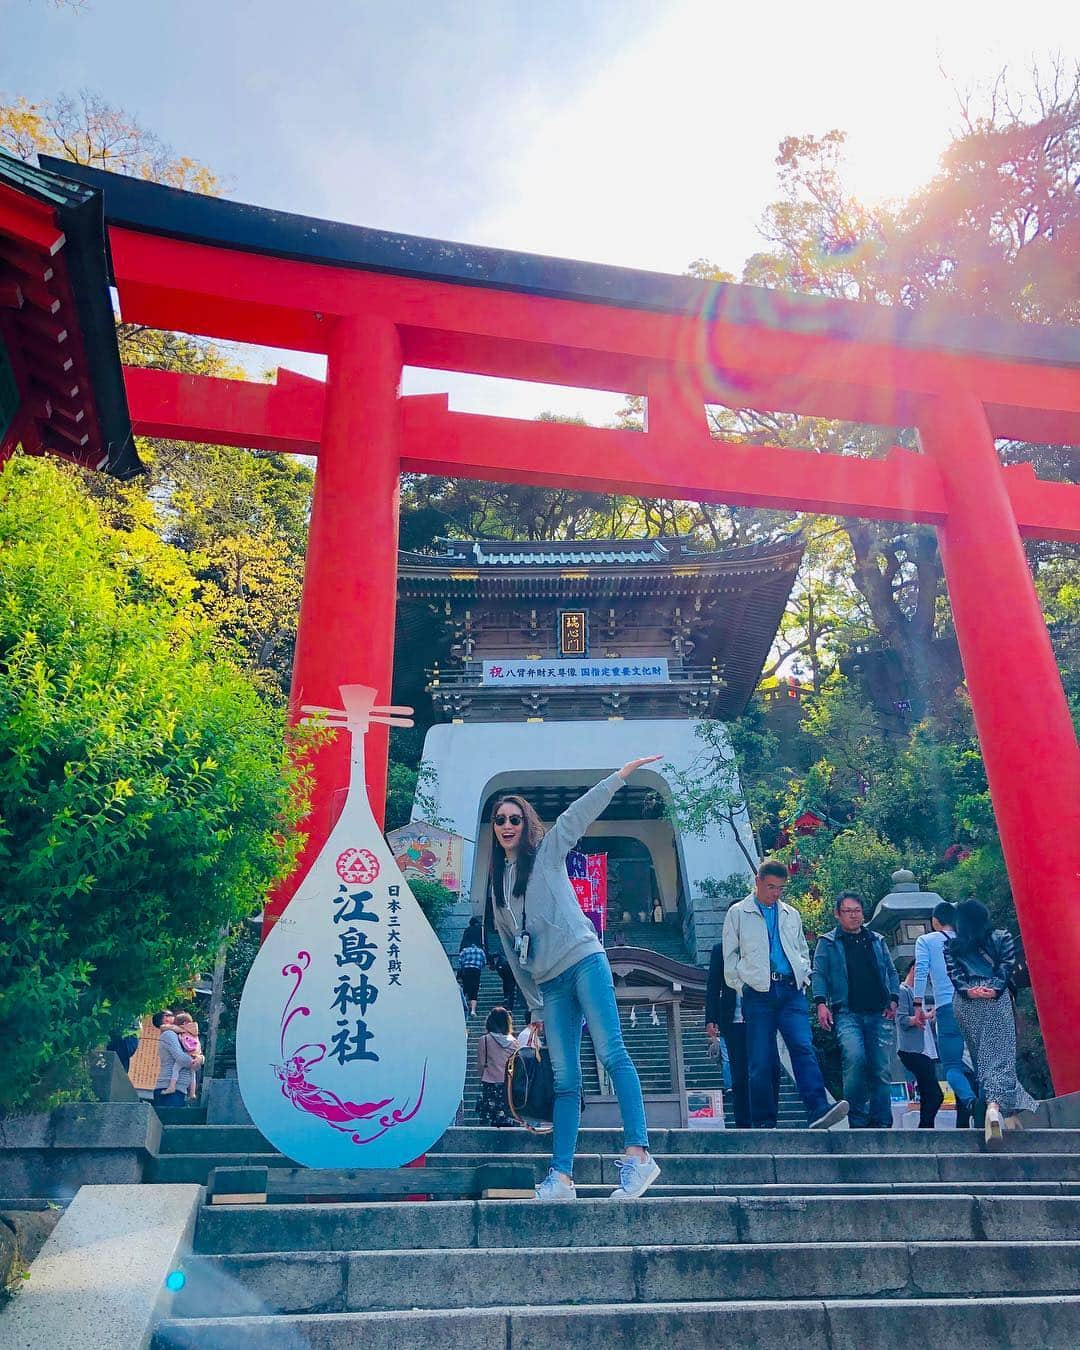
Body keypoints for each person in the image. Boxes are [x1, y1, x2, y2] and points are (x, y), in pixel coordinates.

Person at [486, 758, 663, 1201]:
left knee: (612, 1053)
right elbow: (511, 950)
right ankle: (561, 1177)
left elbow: (577, 814)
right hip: (550, 984)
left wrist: (620, 777)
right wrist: (534, 1007)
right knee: (565, 1080)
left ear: (526, 822)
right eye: (499, 820)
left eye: (514, 818)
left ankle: (639, 1155)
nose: (507, 825)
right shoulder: (497, 884)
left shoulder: (546, 852)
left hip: (584, 960)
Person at [723, 860, 848, 1130]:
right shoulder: (738, 913)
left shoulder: (791, 913)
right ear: (757, 882)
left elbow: (802, 948)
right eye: (770, 887)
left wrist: (803, 974)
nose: (775, 893)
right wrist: (741, 985)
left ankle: (818, 1109)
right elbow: (729, 955)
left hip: (791, 990)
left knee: (803, 1047)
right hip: (758, 992)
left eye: (780, 888)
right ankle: (764, 1121)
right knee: (760, 1058)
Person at [944, 898, 1038, 1146]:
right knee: (1001, 1056)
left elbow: (954, 974)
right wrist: (994, 989)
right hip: (996, 1000)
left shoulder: (953, 945)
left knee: (982, 1058)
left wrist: (970, 991)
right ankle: (995, 1108)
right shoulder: (1001, 936)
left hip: (966, 1003)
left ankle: (1007, 1114)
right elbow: (1006, 966)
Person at [812, 892, 899, 1129]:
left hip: (879, 1012)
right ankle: (857, 1118)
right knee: (855, 1059)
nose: (854, 915)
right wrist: (820, 1003)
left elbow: (891, 972)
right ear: (837, 914)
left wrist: (893, 999)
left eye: (857, 910)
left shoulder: (876, 940)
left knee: (881, 1068)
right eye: (848, 911)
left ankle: (882, 1121)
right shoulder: (828, 942)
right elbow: (818, 974)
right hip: (847, 1012)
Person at [911, 901, 978, 1126]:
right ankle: (988, 1109)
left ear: (935, 922)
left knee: (952, 1065)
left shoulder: (927, 941)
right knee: (978, 1062)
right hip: (976, 1004)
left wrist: (917, 1004)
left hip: (948, 1006)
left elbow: (920, 971)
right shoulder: (969, 941)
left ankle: (970, 1102)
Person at [705, 939, 778, 1129]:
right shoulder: (721, 950)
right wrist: (710, 1019)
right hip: (733, 1019)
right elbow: (713, 985)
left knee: (767, 1068)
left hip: (761, 1018)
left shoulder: (764, 944)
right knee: (739, 1074)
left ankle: (767, 1119)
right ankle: (743, 1123)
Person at [897, 961, 944, 1128]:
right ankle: (925, 1127)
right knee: (934, 1093)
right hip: (913, 1049)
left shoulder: (918, 994)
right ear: (913, 969)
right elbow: (902, 1019)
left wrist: (927, 1016)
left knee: (927, 1091)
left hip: (925, 1049)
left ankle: (926, 1128)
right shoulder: (903, 991)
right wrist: (916, 1019)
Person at [152, 1009, 203, 1109]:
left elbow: (196, 1051)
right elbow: (181, 1058)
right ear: (165, 1019)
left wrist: (200, 1059)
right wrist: (196, 1062)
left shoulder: (180, 1034)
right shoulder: (169, 1035)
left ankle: (192, 1093)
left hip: (179, 1088)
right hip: (168, 1087)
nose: (174, 1016)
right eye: (171, 1015)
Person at [476, 1006, 517, 1126]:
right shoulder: (515, 1042)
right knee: (508, 1121)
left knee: (488, 1123)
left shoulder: (484, 1040)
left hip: (489, 1084)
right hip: (508, 1086)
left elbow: (481, 1064)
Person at [171, 1014, 203, 1102]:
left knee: (175, 1069)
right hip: (195, 1056)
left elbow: (184, 1044)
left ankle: (172, 1086)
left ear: (184, 1023)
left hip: (187, 1055)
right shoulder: (195, 1031)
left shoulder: (184, 1032)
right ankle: (192, 1093)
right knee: (193, 1075)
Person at [457, 935, 486, 1017]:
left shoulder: (464, 950)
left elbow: (460, 961)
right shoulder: (481, 951)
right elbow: (484, 962)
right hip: (476, 971)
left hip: (466, 971)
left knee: (465, 988)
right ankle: (473, 1011)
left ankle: (463, 1006)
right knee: (474, 991)